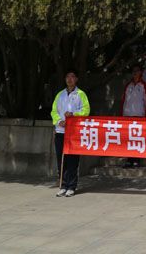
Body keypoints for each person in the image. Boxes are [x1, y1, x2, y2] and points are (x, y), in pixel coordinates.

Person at [51, 69, 90, 197]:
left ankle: (72, 186)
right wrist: (59, 121)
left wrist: (73, 115)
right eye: (67, 77)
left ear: (76, 79)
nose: (70, 79)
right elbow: (54, 111)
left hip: (74, 132)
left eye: (72, 77)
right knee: (61, 159)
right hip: (61, 131)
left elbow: (86, 110)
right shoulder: (60, 95)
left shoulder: (81, 94)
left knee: (73, 160)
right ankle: (63, 185)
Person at [121, 64, 146, 167]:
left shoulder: (143, 85)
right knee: (128, 138)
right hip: (128, 115)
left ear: (140, 72)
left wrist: (145, 114)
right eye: (133, 71)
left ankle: (137, 160)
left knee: (137, 138)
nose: (135, 73)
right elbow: (124, 100)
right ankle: (129, 159)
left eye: (137, 71)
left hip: (139, 115)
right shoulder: (128, 85)